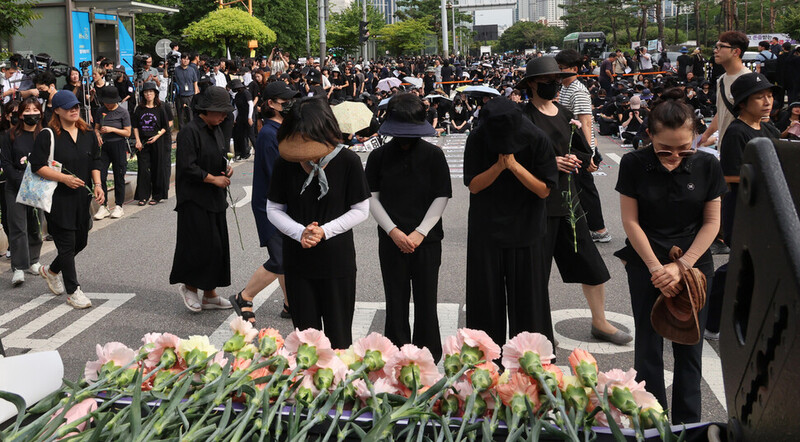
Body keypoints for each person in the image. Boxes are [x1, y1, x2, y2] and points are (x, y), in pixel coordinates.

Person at [615, 88, 726, 423]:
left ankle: (688, 424)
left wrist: (681, 267)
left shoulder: (707, 165)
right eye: (665, 151)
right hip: (646, 262)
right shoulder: (634, 163)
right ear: (649, 136)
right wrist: (656, 268)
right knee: (647, 347)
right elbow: (630, 220)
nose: (676, 157)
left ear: (696, 136)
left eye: (684, 149)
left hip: (694, 265)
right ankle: (652, 421)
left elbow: (712, 222)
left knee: (690, 349)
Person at [520, 57, 632, 346]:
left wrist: (581, 160)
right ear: (532, 84)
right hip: (536, 204)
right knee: (536, 272)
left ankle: (600, 322)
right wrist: (550, 162)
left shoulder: (565, 112)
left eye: (557, 79)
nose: (555, 84)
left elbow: (584, 154)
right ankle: (539, 328)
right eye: (548, 80)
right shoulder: (522, 118)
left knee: (590, 264)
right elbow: (514, 161)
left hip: (570, 203)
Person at [266, 96, 370, 349]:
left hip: (337, 260)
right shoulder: (285, 163)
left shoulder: (348, 161)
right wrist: (300, 232)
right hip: (298, 259)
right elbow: (273, 208)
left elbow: (361, 209)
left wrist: (324, 231)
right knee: (305, 340)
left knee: (339, 337)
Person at [464, 96, 558, 348]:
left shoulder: (537, 137)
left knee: (530, 304)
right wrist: (498, 167)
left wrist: (514, 166)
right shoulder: (477, 137)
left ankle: (532, 363)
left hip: (527, 229)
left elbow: (543, 190)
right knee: (484, 302)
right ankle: (485, 362)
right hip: (487, 230)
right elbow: (473, 186)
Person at [365, 93, 451, 363]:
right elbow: (371, 197)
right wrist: (393, 231)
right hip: (391, 239)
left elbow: (442, 196)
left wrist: (419, 232)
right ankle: (396, 353)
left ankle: (427, 354)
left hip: (426, 240)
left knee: (427, 300)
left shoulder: (434, 155)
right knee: (396, 299)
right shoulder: (378, 157)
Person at [705, 73, 781, 340]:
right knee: (739, 264)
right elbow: (729, 175)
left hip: (768, 209)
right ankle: (710, 318)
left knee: (761, 264)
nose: (767, 101)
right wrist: (763, 175)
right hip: (742, 208)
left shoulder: (769, 129)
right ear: (742, 103)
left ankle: (745, 317)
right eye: (759, 96)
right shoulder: (736, 132)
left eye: (769, 95)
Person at [230, 81, 299, 325]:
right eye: (285, 101)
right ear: (271, 104)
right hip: (272, 207)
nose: (290, 105)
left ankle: (291, 303)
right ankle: (244, 296)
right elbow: (276, 175)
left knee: (285, 255)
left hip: (279, 205)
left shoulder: (281, 129)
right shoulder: (270, 134)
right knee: (280, 258)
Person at [31, 90, 105, 309]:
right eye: (69, 107)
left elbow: (96, 162)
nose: (74, 110)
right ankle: (74, 291)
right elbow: (37, 166)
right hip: (58, 198)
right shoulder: (49, 134)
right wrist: (64, 178)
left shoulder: (88, 133)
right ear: (57, 111)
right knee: (66, 244)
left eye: (76, 107)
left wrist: (99, 185)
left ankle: (51, 271)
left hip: (82, 197)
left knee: (80, 241)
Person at [169, 86, 235, 313]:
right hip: (195, 198)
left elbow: (217, 155)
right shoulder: (189, 131)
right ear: (206, 110)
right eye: (220, 111)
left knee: (217, 246)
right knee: (197, 246)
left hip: (214, 197)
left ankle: (210, 293)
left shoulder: (216, 128)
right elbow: (187, 166)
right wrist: (212, 179)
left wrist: (225, 170)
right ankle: (190, 288)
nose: (224, 116)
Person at [555, 49, 610, 243]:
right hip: (573, 146)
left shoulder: (578, 91)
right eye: (558, 68)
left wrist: (589, 154)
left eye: (562, 69)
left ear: (575, 69)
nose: (559, 73)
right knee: (578, 188)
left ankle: (600, 229)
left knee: (586, 189)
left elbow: (586, 123)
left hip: (580, 148)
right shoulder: (566, 88)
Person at [0, 98, 44, 286]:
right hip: (15, 186)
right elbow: (6, 163)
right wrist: (21, 181)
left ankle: (34, 260)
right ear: (20, 114)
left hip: (38, 185)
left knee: (35, 224)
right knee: (18, 226)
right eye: (27, 110)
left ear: (40, 113)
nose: (31, 114)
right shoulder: (9, 135)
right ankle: (18, 267)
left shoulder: (44, 135)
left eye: (35, 110)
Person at [699, 32, 751, 148]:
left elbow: (762, 119)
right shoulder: (721, 80)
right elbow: (722, 112)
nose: (715, 51)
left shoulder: (749, 80)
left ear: (736, 52)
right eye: (716, 47)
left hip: (743, 149)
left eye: (721, 47)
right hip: (724, 147)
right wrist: (705, 136)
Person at [93, 86, 131, 220]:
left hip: (118, 144)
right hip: (104, 146)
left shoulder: (123, 112)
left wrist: (112, 129)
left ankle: (119, 205)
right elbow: (96, 128)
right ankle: (103, 205)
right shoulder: (100, 111)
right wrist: (97, 134)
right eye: (105, 102)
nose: (107, 105)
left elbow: (127, 132)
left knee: (119, 175)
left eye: (110, 103)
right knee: (101, 174)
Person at [132, 81, 172, 205]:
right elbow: (135, 126)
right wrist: (137, 141)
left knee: (157, 168)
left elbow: (166, 126)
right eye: (146, 92)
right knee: (143, 169)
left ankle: (157, 195)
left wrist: (156, 136)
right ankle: (143, 196)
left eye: (151, 92)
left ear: (155, 93)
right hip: (143, 142)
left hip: (157, 142)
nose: (148, 94)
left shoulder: (160, 108)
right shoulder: (139, 108)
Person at [230, 79, 254, 160]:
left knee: (251, 135)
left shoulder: (246, 93)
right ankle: (243, 153)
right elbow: (236, 108)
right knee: (241, 135)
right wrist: (234, 117)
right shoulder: (237, 95)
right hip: (241, 117)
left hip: (248, 116)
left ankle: (258, 152)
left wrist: (250, 117)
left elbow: (250, 104)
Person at [174, 53, 199, 129]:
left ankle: (191, 132)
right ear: (181, 59)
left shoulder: (191, 69)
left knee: (190, 116)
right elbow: (166, 76)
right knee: (180, 116)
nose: (185, 60)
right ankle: (181, 133)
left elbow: (195, 82)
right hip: (180, 95)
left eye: (187, 59)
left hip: (190, 95)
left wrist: (195, 93)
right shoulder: (176, 70)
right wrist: (166, 67)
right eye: (184, 58)